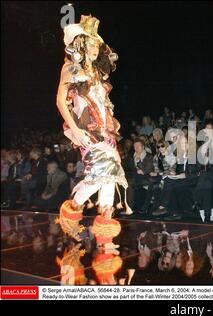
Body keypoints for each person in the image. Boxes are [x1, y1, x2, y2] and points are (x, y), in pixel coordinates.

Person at [56, 15, 130, 245]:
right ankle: (71, 214)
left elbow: (102, 104)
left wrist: (113, 123)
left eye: (97, 45)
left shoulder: (97, 75)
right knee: (102, 174)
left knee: (110, 177)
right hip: (86, 131)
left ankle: (104, 237)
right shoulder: (70, 67)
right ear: (80, 44)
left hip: (105, 132)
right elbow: (60, 101)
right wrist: (75, 131)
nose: (95, 49)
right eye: (90, 44)